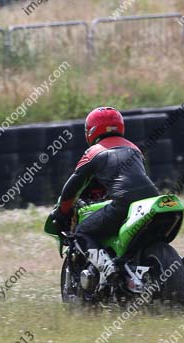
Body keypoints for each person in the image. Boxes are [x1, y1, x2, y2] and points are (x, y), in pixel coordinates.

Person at [52, 107, 159, 287]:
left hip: (124, 202)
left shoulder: (94, 151)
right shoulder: (134, 148)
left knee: (81, 233)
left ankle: (108, 269)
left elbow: (72, 187)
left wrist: (62, 213)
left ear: (91, 131)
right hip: (151, 200)